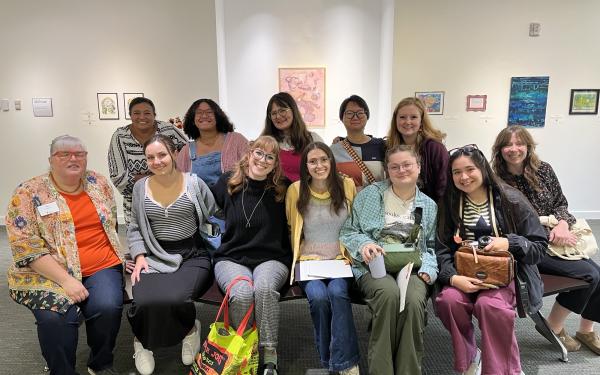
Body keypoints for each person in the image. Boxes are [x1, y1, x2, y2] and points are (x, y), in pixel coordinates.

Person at [6, 135, 125, 375]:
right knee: (56, 318)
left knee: (108, 306)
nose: (73, 158)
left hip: (100, 263)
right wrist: (66, 280)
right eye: (64, 154)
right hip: (47, 271)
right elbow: (25, 244)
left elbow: (111, 222)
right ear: (51, 159)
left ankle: (100, 364)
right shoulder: (28, 192)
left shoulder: (99, 182)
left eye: (79, 154)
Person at [436, 144, 547, 375]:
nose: (464, 177)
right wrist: (453, 278)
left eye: (470, 169)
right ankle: (470, 357)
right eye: (457, 172)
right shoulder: (449, 203)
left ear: (483, 169)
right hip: (464, 274)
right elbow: (442, 248)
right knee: (449, 300)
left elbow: (539, 247)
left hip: (505, 277)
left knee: (490, 305)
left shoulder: (511, 199)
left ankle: (504, 370)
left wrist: (510, 242)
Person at [492, 125, 600, 355]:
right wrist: (544, 232)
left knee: (599, 273)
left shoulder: (544, 170)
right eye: (508, 144)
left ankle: (586, 329)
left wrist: (561, 223)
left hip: (557, 237)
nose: (514, 149)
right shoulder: (496, 181)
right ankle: (554, 325)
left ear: (528, 146)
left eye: (519, 143)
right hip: (530, 246)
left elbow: (561, 202)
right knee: (591, 274)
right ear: (500, 150)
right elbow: (504, 224)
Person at [340, 145, 438, 374]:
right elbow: (349, 231)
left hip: (412, 268)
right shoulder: (371, 194)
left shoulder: (429, 206)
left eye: (407, 165)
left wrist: (430, 270)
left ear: (418, 167)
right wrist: (364, 245)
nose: (401, 170)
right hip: (375, 266)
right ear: (387, 170)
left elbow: (430, 247)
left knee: (414, 302)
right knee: (389, 295)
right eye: (395, 166)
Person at [127, 134, 216, 375]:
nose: (157, 161)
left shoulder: (195, 184)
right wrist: (139, 256)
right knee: (144, 301)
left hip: (192, 254)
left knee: (177, 299)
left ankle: (190, 330)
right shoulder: (139, 188)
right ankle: (142, 342)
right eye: (150, 157)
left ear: (175, 154)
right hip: (154, 253)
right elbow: (134, 226)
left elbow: (214, 215)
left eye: (162, 155)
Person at [210, 136, 291, 375]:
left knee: (264, 289)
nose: (262, 160)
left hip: (272, 257)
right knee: (242, 293)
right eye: (259, 153)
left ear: (275, 163)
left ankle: (269, 357)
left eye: (270, 157)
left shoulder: (282, 188)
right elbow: (203, 209)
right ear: (249, 152)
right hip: (231, 257)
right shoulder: (227, 182)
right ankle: (244, 350)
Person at [285, 142, 360, 374]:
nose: (319, 165)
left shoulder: (346, 185)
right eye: (313, 161)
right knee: (318, 298)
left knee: (337, 293)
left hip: (339, 260)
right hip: (309, 262)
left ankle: (345, 363)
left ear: (331, 161)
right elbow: (291, 227)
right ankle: (330, 362)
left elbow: (355, 225)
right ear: (305, 166)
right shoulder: (296, 190)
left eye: (324, 159)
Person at [108, 97, 187, 224]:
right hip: (137, 203)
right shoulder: (120, 136)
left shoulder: (168, 130)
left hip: (173, 199)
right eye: (136, 113)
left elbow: (188, 157)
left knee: (173, 236)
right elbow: (119, 178)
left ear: (154, 115)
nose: (142, 117)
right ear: (130, 115)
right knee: (139, 240)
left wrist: (141, 178)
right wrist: (163, 178)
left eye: (147, 113)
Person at [387, 97, 448, 202]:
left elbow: (443, 187)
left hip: (429, 210)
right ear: (395, 120)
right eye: (402, 117)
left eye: (413, 117)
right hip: (396, 209)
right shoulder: (388, 147)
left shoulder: (435, 149)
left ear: (421, 121)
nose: (407, 121)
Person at [176, 98, 248, 186]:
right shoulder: (186, 151)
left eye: (209, 112)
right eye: (199, 112)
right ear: (193, 120)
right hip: (200, 199)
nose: (204, 116)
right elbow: (179, 183)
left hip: (234, 197)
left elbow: (251, 170)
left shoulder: (237, 140)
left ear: (217, 117)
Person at [262, 92, 323, 182]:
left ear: (293, 110)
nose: (278, 116)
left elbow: (324, 169)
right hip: (275, 194)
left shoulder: (313, 139)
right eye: (273, 113)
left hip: (305, 194)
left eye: (282, 110)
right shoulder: (265, 142)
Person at [330, 95, 386, 189]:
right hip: (346, 203)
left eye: (360, 113)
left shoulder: (382, 146)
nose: (355, 117)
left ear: (367, 116)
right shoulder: (333, 150)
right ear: (342, 118)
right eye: (349, 113)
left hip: (376, 202)